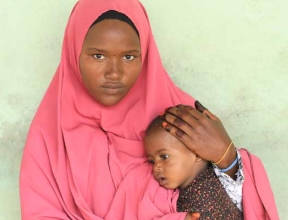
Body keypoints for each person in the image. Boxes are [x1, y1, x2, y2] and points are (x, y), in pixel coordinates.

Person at [19, 0, 279, 219]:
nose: (114, 73)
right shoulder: (48, 138)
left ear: (146, 54)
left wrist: (228, 159)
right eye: (98, 56)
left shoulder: (180, 115)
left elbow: (226, 203)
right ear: (74, 52)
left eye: (129, 56)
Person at [104, 112, 279, 220]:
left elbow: (249, 195)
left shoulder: (222, 178)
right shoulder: (175, 199)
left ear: (196, 153)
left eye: (164, 156)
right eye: (152, 160)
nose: (156, 167)